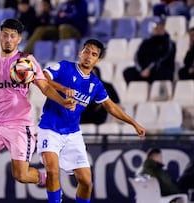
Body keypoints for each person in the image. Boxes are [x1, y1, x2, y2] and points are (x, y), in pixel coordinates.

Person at [0, 18, 76, 203]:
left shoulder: (26, 62)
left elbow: (44, 87)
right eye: (5, 35)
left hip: (20, 127)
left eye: (12, 36)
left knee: (20, 175)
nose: (8, 39)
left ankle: (45, 178)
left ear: (18, 39)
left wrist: (63, 101)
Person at [36, 39, 146, 203]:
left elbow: (111, 107)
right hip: (50, 128)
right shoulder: (65, 67)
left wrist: (134, 123)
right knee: (52, 171)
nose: (88, 56)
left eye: (94, 54)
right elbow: (41, 77)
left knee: (86, 182)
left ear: (98, 60)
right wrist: (62, 89)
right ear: (80, 52)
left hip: (73, 134)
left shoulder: (95, 84)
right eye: (86, 51)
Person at [23, 0, 89, 54]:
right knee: (41, 29)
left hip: (76, 30)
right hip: (59, 28)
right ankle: (25, 53)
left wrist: (65, 17)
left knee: (64, 28)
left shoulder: (82, 3)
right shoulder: (64, 5)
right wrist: (64, 17)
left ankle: (65, 54)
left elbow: (77, 18)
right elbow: (56, 18)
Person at [123, 18, 176, 84]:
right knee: (128, 72)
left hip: (159, 70)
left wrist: (149, 68)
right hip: (145, 71)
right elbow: (137, 57)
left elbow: (163, 58)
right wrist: (142, 69)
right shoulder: (146, 42)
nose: (157, 29)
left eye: (160, 27)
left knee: (161, 71)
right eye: (156, 27)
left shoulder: (169, 43)